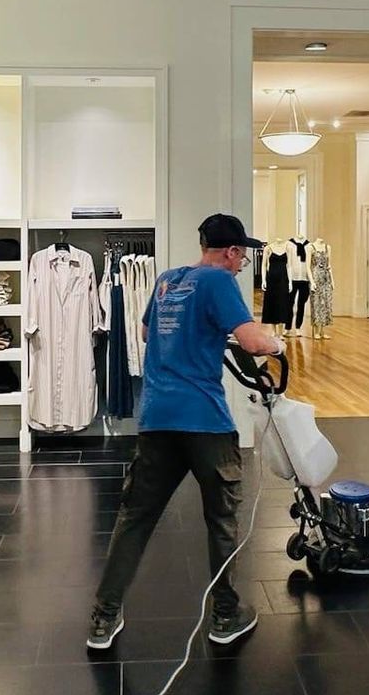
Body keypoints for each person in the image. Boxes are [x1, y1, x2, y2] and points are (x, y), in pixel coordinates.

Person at [87, 213, 286, 650]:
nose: (241, 265)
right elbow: (253, 342)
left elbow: (144, 332)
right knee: (221, 520)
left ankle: (103, 618)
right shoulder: (219, 282)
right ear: (231, 252)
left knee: (135, 518)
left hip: (157, 417)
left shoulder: (167, 280)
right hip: (204, 423)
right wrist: (277, 344)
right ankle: (225, 615)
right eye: (242, 258)